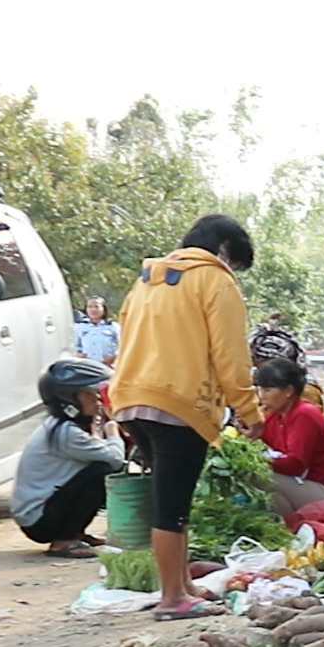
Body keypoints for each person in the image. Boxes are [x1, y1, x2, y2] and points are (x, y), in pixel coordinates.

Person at [108, 214, 262, 621]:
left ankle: (183, 585)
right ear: (225, 250)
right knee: (172, 506)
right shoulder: (214, 281)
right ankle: (172, 598)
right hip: (178, 403)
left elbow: (123, 335)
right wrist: (249, 410)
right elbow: (231, 357)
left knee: (173, 497)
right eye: (236, 265)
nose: (234, 273)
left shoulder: (147, 280)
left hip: (130, 398)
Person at [10, 359, 126, 557]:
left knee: (97, 471)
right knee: (102, 472)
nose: (96, 399)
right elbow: (115, 459)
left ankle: (76, 533)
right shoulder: (66, 433)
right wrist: (113, 431)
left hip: (43, 512)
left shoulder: (60, 426)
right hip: (40, 521)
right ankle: (63, 541)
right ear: (68, 399)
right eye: (88, 394)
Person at [253, 357, 324, 515]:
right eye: (259, 390)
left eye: (267, 390)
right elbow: (262, 442)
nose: (261, 396)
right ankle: (289, 529)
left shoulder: (305, 414)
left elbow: (295, 464)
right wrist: (252, 434)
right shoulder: (275, 416)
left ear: (288, 391)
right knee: (267, 492)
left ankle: (290, 527)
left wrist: (257, 462)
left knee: (261, 477)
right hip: (303, 485)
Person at [74, 297, 120, 364]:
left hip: (109, 365)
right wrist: (79, 355)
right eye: (90, 307)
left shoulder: (112, 326)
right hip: (88, 365)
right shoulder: (80, 327)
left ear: (104, 310)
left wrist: (114, 356)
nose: (93, 310)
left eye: (96, 307)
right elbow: (75, 346)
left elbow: (122, 345)